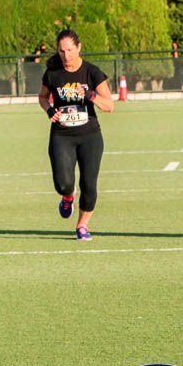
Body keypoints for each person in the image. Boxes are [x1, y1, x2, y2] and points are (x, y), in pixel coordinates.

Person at [38, 29, 114, 241]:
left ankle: (82, 225)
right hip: (62, 135)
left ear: (79, 48)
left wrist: (90, 95)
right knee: (63, 184)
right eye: (62, 51)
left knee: (89, 184)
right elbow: (42, 97)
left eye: (70, 50)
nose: (66, 55)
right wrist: (49, 110)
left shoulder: (92, 72)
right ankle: (67, 196)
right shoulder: (53, 73)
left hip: (90, 136)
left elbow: (109, 106)